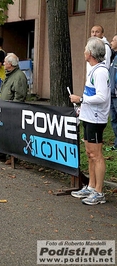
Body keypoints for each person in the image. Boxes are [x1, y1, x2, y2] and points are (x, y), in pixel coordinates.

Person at [70, 37, 110, 205]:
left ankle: (99, 191)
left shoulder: (101, 71)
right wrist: (82, 107)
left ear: (92, 53)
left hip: (96, 118)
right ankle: (92, 186)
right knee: (89, 153)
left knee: (96, 154)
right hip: (88, 115)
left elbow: (102, 96)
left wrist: (81, 100)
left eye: (86, 49)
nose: (84, 52)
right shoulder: (93, 69)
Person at [0, 53, 28, 164]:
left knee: (12, 134)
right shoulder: (9, 74)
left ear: (10, 64)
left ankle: (13, 157)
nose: (3, 63)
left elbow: (19, 96)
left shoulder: (19, 77)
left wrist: (12, 109)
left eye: (5, 62)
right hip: (4, 109)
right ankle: (1, 154)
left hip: (12, 111)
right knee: (1, 132)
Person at [107, 34, 117, 151]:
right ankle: (116, 143)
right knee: (114, 119)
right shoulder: (113, 57)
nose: (111, 42)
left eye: (113, 40)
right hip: (112, 94)